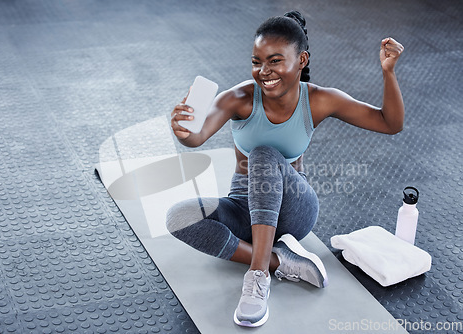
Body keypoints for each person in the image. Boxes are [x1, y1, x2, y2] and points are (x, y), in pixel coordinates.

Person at [167, 10, 404, 328]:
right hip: (243, 208)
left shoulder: (318, 100)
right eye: (256, 61)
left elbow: (390, 123)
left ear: (302, 59)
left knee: (263, 154)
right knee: (178, 218)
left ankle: (258, 277)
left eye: (275, 61)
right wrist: (183, 131)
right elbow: (197, 137)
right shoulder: (239, 98)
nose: (263, 72)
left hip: (294, 211)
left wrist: (388, 72)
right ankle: (281, 261)